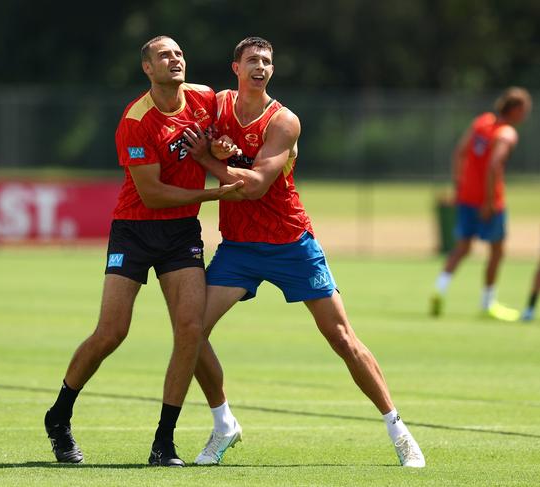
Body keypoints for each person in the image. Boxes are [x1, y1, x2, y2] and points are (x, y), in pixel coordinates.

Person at [182, 37, 425, 468]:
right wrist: (213, 148)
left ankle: (399, 430)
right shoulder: (217, 105)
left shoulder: (283, 121)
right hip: (239, 248)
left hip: (291, 243)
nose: (261, 67)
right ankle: (224, 426)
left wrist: (208, 160)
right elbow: (178, 103)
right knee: (191, 332)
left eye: (268, 61)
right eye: (253, 60)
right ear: (235, 67)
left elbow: (254, 186)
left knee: (342, 338)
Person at [43, 35, 242, 468]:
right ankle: (59, 416)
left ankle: (163, 442)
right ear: (147, 69)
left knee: (189, 330)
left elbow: (222, 141)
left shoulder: (204, 99)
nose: (175, 59)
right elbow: (151, 195)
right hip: (134, 230)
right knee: (112, 332)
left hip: (181, 233)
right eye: (164, 55)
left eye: (179, 53)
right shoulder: (137, 120)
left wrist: (222, 151)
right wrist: (218, 194)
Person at [430, 87, 532, 320]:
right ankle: (487, 303)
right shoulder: (506, 133)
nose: (525, 116)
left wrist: (459, 187)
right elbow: (494, 165)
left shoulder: (482, 122)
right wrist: (488, 201)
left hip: (466, 196)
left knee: (462, 248)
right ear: (515, 109)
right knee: (497, 251)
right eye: (524, 110)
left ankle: (439, 290)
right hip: (490, 200)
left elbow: (459, 152)